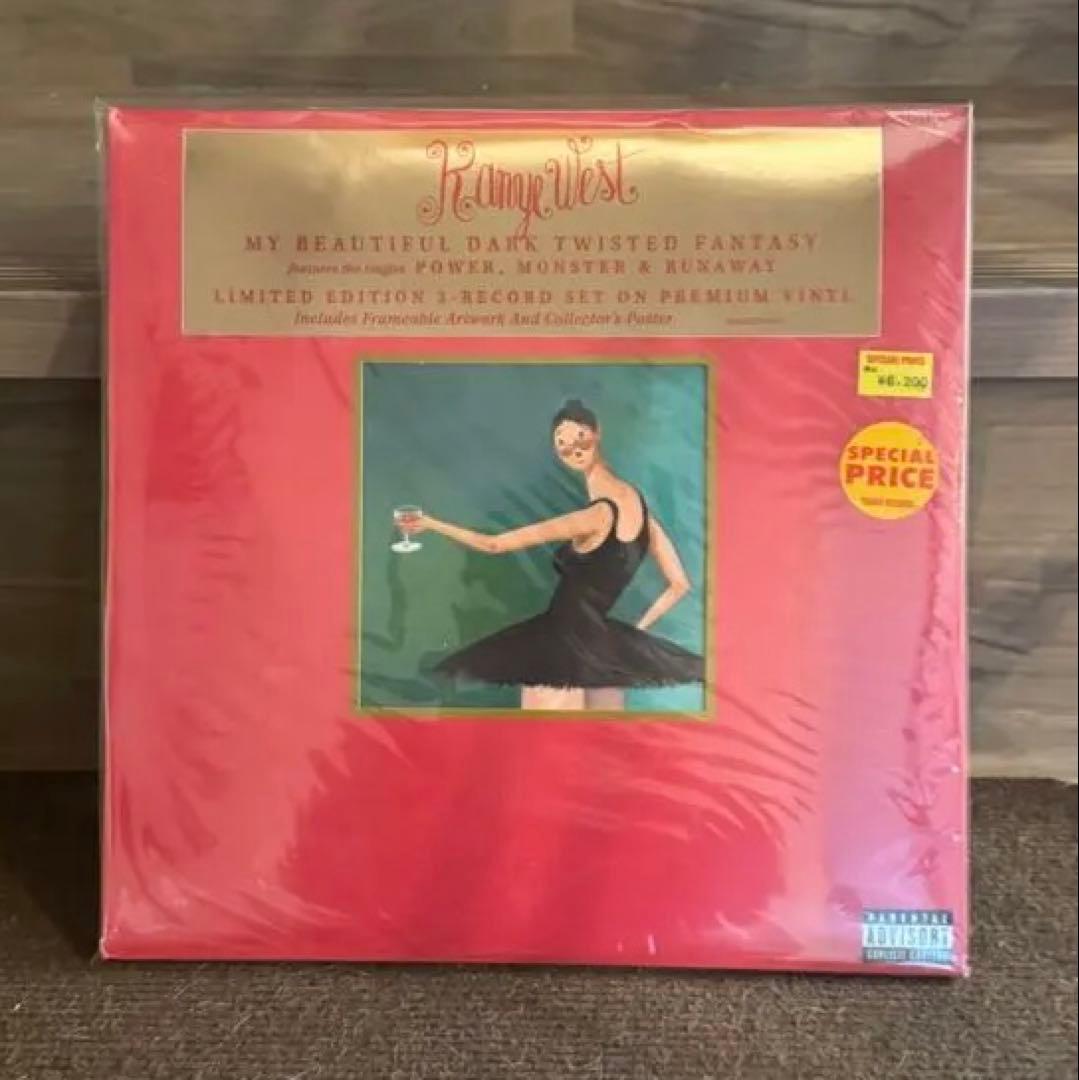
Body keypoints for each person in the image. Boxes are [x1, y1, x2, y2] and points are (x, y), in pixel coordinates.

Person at [406, 399, 704, 710]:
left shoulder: (595, 516)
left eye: (579, 436)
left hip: (559, 644)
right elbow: (679, 584)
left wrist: (430, 523)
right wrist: (635, 634)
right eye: (562, 442)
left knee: (546, 734)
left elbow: (493, 545)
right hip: (602, 645)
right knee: (604, 735)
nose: (572, 448)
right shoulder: (642, 512)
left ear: (597, 433)